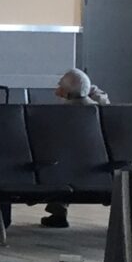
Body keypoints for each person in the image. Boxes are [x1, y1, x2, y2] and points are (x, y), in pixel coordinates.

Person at [40, 67, 111, 226]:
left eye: (60, 85)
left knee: (58, 164)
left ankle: (58, 212)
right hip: (97, 167)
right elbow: (101, 100)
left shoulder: (58, 115)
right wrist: (85, 88)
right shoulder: (100, 111)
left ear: (64, 93)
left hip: (66, 170)